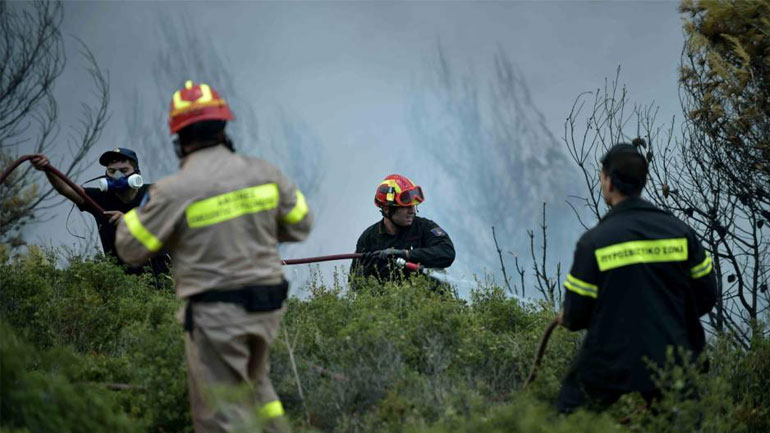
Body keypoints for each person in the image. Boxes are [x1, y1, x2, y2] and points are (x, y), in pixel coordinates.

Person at [115, 80, 312, 433]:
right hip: (267, 305)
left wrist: (142, 217)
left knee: (219, 415)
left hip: (217, 314)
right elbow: (300, 223)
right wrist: (253, 229)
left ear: (179, 140)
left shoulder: (174, 191)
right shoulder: (264, 173)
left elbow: (130, 249)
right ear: (223, 129)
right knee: (257, 388)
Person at [556, 141, 717, 414]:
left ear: (608, 182)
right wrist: (668, 319)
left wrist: (569, 316)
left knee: (568, 414)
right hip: (672, 355)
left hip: (610, 360)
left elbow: (576, 314)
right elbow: (707, 294)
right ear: (642, 182)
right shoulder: (681, 233)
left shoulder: (594, 242)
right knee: (685, 421)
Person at [30, 148, 170, 277]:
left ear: (137, 174)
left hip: (165, 279)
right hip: (122, 283)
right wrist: (47, 168)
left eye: (124, 170)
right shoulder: (100, 198)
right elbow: (66, 189)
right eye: (112, 171)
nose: (117, 176)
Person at [349, 174, 455, 287]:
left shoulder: (426, 227)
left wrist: (407, 254)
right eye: (406, 207)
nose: (412, 211)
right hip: (390, 297)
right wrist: (365, 271)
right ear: (387, 209)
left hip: (429, 296)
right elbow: (354, 282)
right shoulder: (369, 238)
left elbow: (447, 253)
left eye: (413, 206)